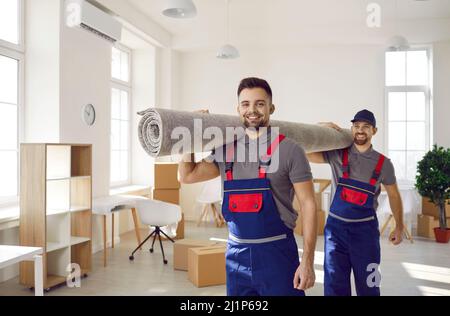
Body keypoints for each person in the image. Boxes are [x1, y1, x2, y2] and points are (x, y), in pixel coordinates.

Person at [179, 77, 317, 296]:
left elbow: (309, 204)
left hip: (277, 255)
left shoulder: (290, 150)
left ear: (271, 107)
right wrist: (193, 133)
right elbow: (187, 176)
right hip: (236, 256)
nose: (252, 110)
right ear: (238, 109)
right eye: (245, 104)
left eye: (259, 103)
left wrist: (307, 261)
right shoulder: (225, 150)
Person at [307, 109, 404, 296]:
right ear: (351, 129)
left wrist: (399, 226)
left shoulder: (384, 164)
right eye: (356, 126)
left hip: (365, 235)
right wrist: (320, 128)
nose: (360, 130)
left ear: (374, 131)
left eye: (366, 127)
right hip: (335, 233)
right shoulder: (337, 154)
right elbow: (306, 153)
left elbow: (394, 195)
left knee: (370, 285)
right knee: (334, 286)